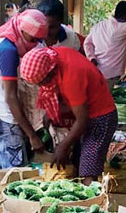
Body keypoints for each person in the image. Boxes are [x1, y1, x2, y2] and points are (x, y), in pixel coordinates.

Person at [20, 47, 117, 185]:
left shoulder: (72, 77)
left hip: (101, 117)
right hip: (84, 113)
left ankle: (91, 202)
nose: (41, 86)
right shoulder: (53, 55)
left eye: (41, 82)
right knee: (77, 160)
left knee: (88, 167)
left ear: (50, 72)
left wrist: (63, 147)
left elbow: (82, 120)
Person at [0, 9, 49, 168]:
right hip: (4, 116)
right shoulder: (8, 51)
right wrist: (32, 135)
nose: (35, 43)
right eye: (34, 39)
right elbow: (10, 97)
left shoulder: (0, 37)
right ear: (23, 31)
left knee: (3, 167)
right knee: (15, 174)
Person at [84, 0, 126, 87]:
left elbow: (87, 43)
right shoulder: (120, 29)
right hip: (111, 77)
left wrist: (91, 58)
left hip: (97, 72)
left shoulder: (99, 26)